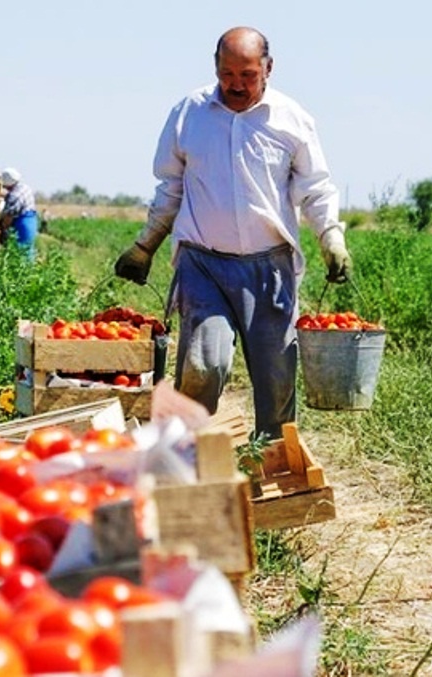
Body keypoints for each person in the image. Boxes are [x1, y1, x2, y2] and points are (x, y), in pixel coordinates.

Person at [113, 26, 351, 440]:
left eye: (247, 75)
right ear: (215, 67)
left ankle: (272, 467)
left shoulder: (291, 119)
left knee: (276, 379)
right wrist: (145, 245)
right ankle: (186, 458)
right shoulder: (189, 113)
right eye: (227, 74)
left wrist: (330, 238)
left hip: (269, 268)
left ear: (268, 69)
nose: (236, 85)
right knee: (204, 365)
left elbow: (315, 188)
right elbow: (171, 186)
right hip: (202, 263)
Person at [0, 167, 39, 259]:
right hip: (31, 221)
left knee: (20, 252)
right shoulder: (25, 187)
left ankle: (23, 271)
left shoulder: (14, 195)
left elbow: (8, 217)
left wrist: (3, 228)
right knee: (28, 250)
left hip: (22, 224)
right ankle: (29, 270)